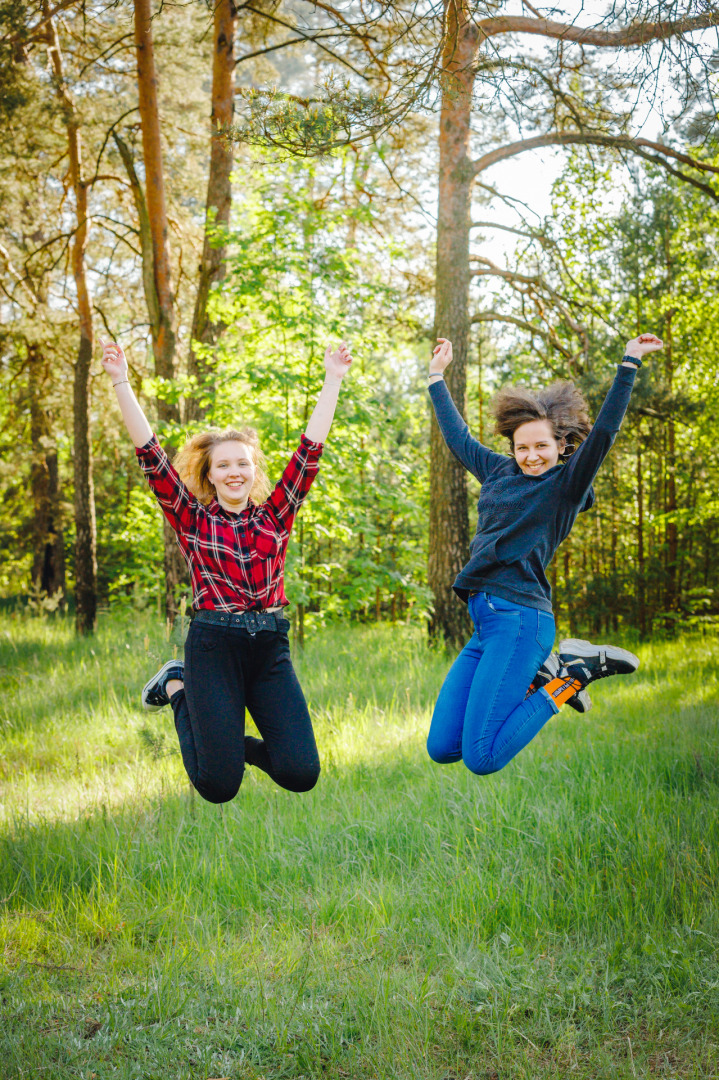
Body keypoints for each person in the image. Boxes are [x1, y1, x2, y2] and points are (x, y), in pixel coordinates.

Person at [100, 337, 353, 803]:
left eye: (243, 463)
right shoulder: (193, 518)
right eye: (224, 465)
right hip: (214, 645)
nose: (234, 471)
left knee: (300, 771)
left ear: (252, 470)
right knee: (218, 786)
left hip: (270, 648)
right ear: (210, 474)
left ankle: (227, 746)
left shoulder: (277, 513)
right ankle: (177, 685)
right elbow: (150, 455)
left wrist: (332, 379)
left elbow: (309, 451)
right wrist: (120, 380)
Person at [425, 333, 662, 776]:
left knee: (483, 757)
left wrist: (629, 363)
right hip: (486, 623)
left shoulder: (566, 485)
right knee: (443, 747)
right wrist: (437, 376)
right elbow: (457, 438)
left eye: (541, 446)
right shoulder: (498, 470)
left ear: (561, 447)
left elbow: (606, 432)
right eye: (522, 447)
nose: (531, 456)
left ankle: (571, 676)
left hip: (521, 620)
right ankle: (547, 672)